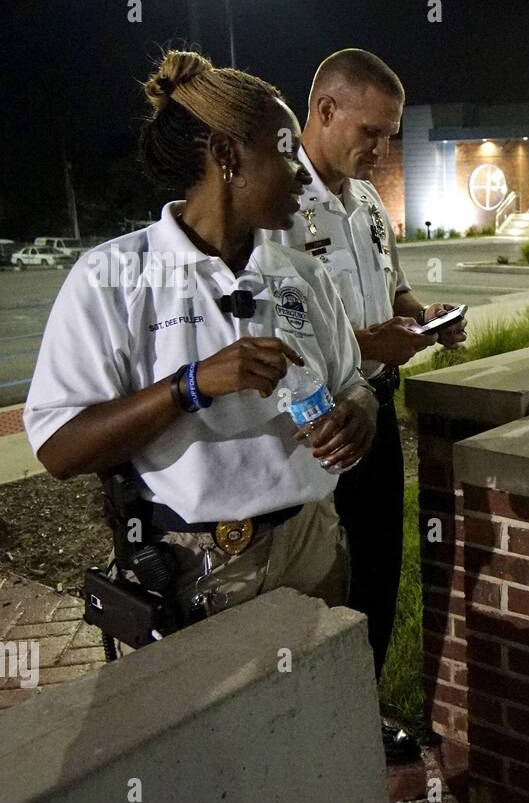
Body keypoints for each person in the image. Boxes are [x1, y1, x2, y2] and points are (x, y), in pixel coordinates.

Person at [24, 50, 375, 625]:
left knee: (317, 711)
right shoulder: (115, 276)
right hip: (199, 566)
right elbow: (60, 449)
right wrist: (188, 385)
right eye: (286, 152)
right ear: (226, 156)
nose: (300, 170)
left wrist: (361, 409)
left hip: (314, 545)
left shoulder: (303, 274)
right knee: (215, 716)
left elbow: (351, 381)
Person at [269, 48, 466, 762]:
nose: (384, 150)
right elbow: (270, 331)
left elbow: (395, 290)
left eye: (393, 134)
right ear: (324, 111)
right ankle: (307, 736)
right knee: (318, 584)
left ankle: (361, 713)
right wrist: (369, 340)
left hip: (378, 412)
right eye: (373, 132)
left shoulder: (369, 201)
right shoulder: (275, 200)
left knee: (379, 574)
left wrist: (425, 316)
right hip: (312, 427)